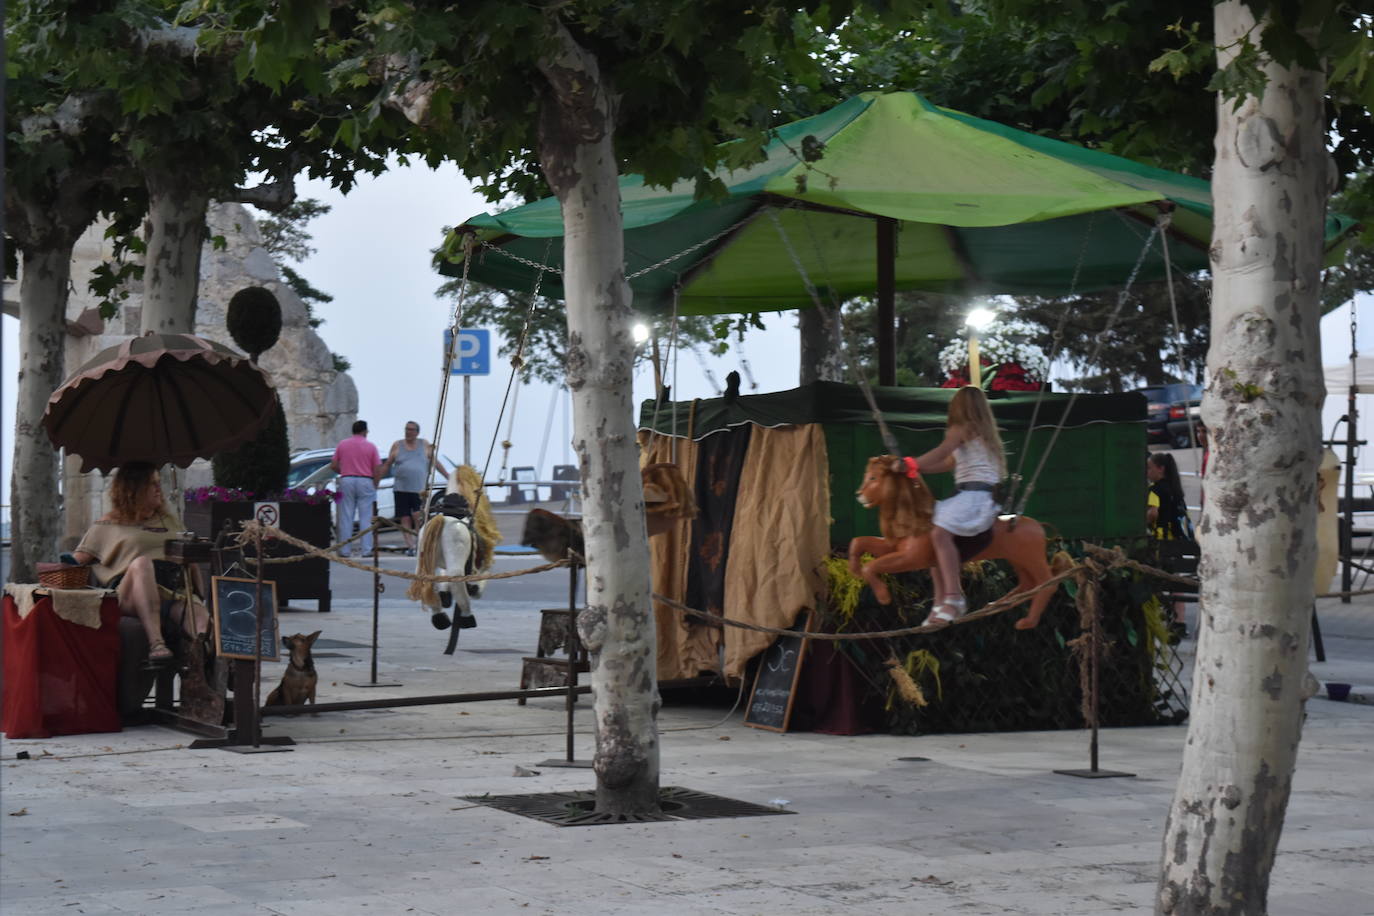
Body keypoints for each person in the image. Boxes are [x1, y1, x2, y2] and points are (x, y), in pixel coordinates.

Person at [71, 463, 208, 665]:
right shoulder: (107, 524)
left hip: (171, 592)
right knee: (142, 564)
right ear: (133, 489)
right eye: (152, 484)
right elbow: (74, 562)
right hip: (130, 594)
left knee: (202, 623)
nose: (158, 489)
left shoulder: (168, 521)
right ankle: (156, 642)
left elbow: (188, 555)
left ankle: (208, 668)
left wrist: (198, 593)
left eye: (158, 483)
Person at [908, 386, 1007, 627]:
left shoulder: (960, 429)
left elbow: (941, 451)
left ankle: (953, 596)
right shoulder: (982, 435)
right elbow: (947, 462)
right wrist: (918, 468)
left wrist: (909, 462)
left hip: (974, 495)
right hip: (977, 496)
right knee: (935, 542)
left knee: (939, 533)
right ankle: (940, 602)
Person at [381, 421, 448, 556]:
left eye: (411, 430)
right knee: (404, 517)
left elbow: (434, 462)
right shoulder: (397, 445)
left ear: (417, 432)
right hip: (401, 488)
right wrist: (378, 478)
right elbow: (388, 463)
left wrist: (447, 476)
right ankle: (410, 545)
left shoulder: (424, 444)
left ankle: (420, 543)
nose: (408, 432)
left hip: (418, 489)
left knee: (418, 516)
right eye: (406, 429)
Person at [1147, 451, 1193, 641]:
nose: (1147, 472)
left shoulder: (1155, 490)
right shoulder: (1176, 490)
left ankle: (1158, 619)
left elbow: (1153, 514)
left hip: (1161, 544)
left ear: (1160, 469)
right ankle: (1180, 621)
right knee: (1176, 582)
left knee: (1152, 579)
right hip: (1178, 544)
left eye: (1149, 468)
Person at [332, 420, 384, 558]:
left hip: (347, 479)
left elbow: (333, 465)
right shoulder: (371, 446)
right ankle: (366, 550)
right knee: (366, 517)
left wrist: (343, 470)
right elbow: (377, 468)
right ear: (364, 431)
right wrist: (375, 484)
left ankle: (344, 550)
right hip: (365, 480)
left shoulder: (343, 444)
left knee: (346, 516)